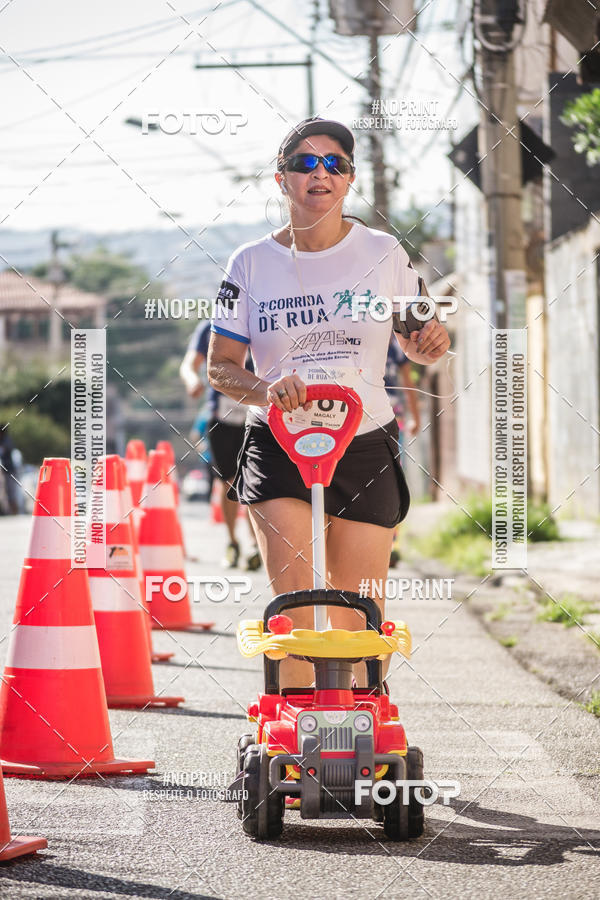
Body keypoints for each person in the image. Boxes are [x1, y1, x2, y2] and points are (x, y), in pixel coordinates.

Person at [207, 117, 450, 687]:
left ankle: (358, 743)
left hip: (364, 442)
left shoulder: (383, 252)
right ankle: (294, 750)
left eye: (334, 164)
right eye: (306, 164)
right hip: (280, 439)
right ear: (281, 179)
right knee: (293, 612)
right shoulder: (249, 263)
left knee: (354, 619)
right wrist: (266, 390)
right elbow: (220, 369)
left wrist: (431, 342)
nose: (321, 174)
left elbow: (422, 340)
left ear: (350, 179)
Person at [180, 320, 261, 570]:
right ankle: (233, 542)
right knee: (228, 482)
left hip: (258, 414)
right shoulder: (211, 327)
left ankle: (255, 545)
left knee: (255, 480)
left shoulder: (263, 317)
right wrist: (193, 381)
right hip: (221, 418)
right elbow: (188, 365)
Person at [385, 339, 421, 567]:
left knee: (393, 481)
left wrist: (415, 416)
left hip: (392, 417)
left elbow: (408, 382)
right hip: (356, 416)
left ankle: (392, 543)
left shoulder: (396, 345)